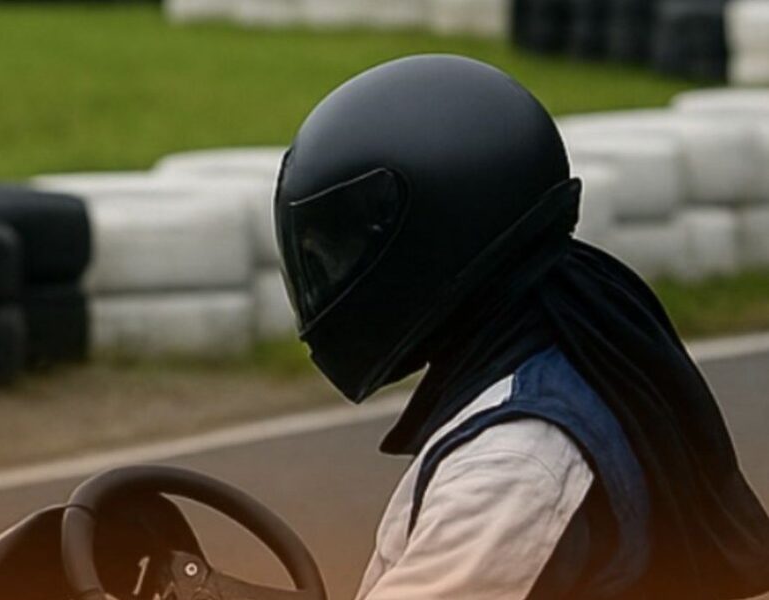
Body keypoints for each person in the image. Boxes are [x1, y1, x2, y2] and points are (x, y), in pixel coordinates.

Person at [273, 54, 769, 598]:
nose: (333, 276)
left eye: (345, 251)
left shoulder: (513, 464)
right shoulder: (576, 336)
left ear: (432, 238)